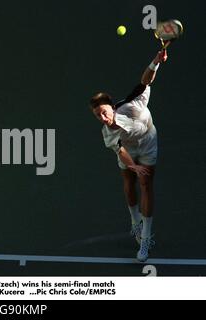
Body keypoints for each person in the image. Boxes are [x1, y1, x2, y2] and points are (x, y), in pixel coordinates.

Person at [89, 48, 168, 262]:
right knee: (128, 180)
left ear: (113, 108)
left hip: (148, 143)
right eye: (98, 116)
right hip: (130, 151)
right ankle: (135, 222)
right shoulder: (107, 133)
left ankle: (145, 237)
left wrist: (155, 61)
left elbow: (146, 81)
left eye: (104, 112)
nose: (103, 117)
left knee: (146, 185)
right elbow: (121, 150)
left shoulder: (133, 103)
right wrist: (133, 166)